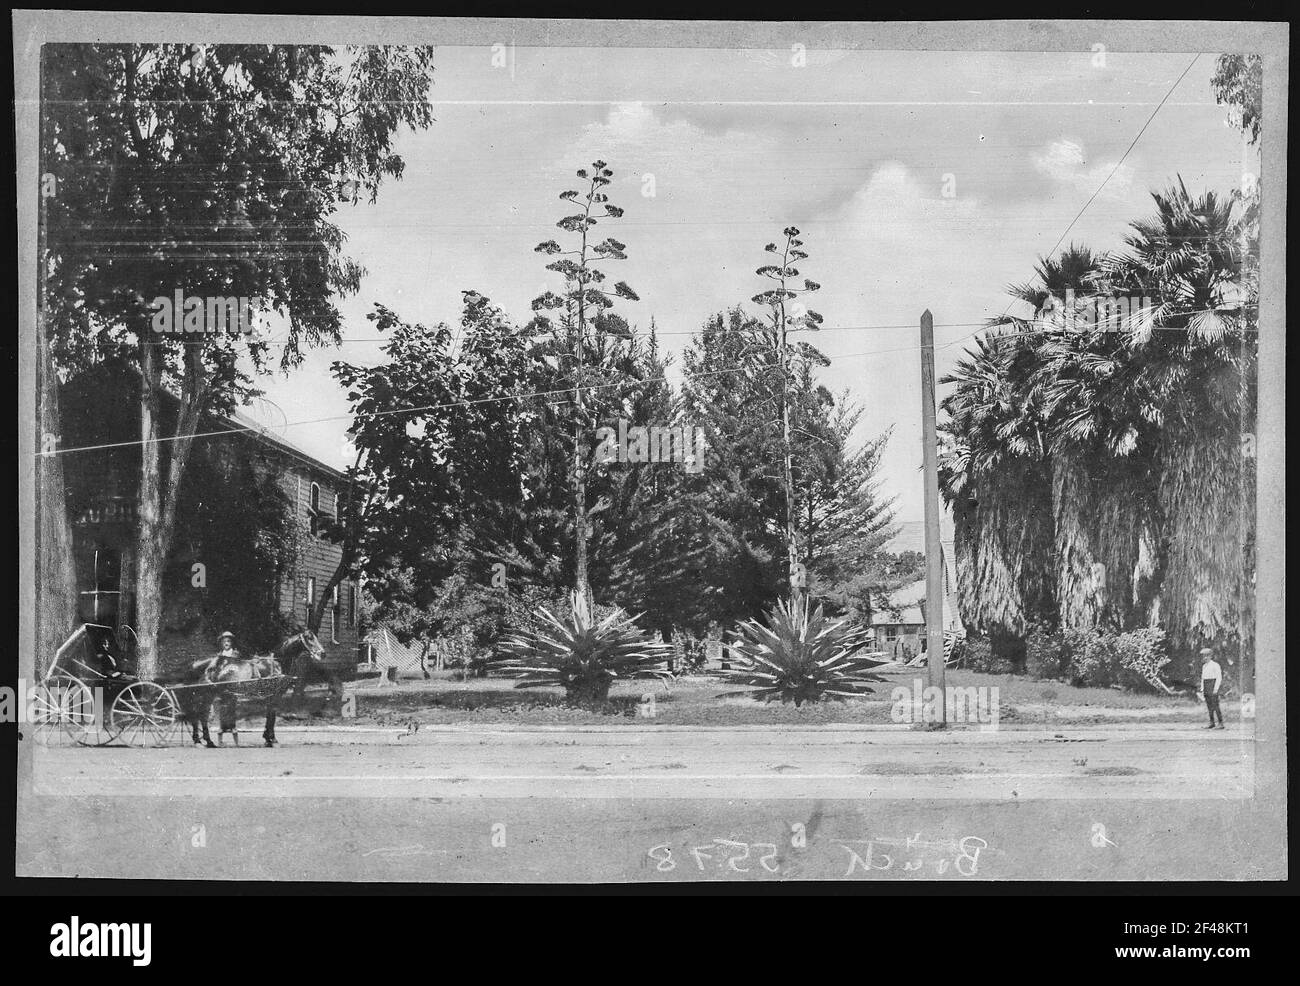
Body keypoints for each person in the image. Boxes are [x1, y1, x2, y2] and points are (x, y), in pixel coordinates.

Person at [1200, 647, 1224, 729]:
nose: (1205, 657)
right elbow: (1203, 678)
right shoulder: (1204, 666)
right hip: (1206, 686)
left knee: (1215, 705)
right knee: (1209, 706)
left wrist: (1216, 688)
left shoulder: (1215, 665)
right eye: (1204, 656)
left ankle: (1221, 723)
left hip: (1212, 685)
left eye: (1207, 655)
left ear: (1211, 656)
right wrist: (1202, 689)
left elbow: (1219, 677)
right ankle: (1211, 722)